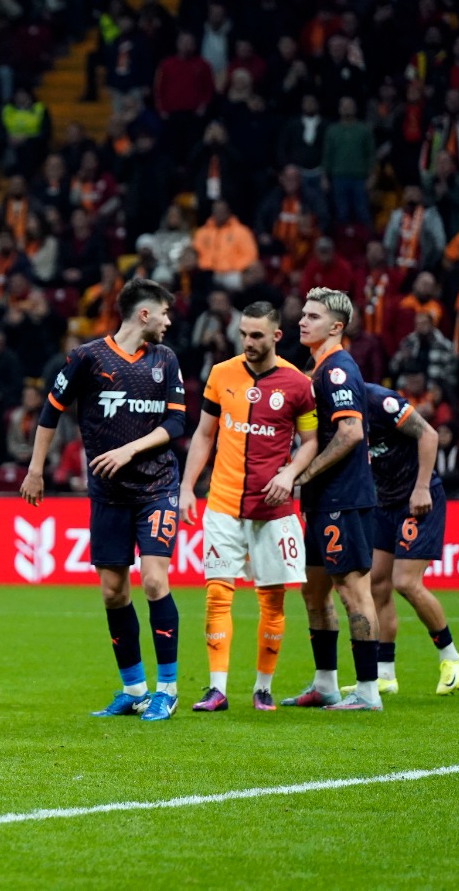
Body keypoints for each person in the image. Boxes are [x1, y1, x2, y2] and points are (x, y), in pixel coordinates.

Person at [20, 278, 187, 721]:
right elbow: (50, 410)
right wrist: (36, 469)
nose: (170, 321)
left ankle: (166, 690)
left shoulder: (165, 360)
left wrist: (131, 449)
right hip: (109, 495)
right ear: (144, 314)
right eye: (165, 313)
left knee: (154, 580)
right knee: (114, 592)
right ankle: (134, 689)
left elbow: (175, 425)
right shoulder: (86, 358)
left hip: (156, 488)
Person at [178, 302, 318, 712]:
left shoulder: (296, 384)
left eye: (257, 335)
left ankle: (262, 688)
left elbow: (310, 444)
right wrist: (188, 487)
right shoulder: (222, 374)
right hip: (222, 502)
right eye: (243, 334)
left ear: (276, 336)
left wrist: (289, 474)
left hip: (272, 510)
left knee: (271, 600)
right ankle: (216, 688)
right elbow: (204, 435)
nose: (248, 342)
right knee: (217, 594)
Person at [284, 288, 383, 711]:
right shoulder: (317, 368)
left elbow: (350, 433)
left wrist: (303, 473)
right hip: (322, 499)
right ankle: (325, 684)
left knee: (353, 591)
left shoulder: (338, 370)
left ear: (336, 327)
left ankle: (367, 691)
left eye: (314, 316)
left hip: (344, 497)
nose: (303, 321)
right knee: (314, 589)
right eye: (303, 314)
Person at [342, 383, 459, 696]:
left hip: (418, 499)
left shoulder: (379, 401)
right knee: (377, 584)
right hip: (385, 503)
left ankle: (451, 657)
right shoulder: (337, 412)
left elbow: (429, 434)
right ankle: (385, 674)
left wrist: (422, 487)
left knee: (406, 582)